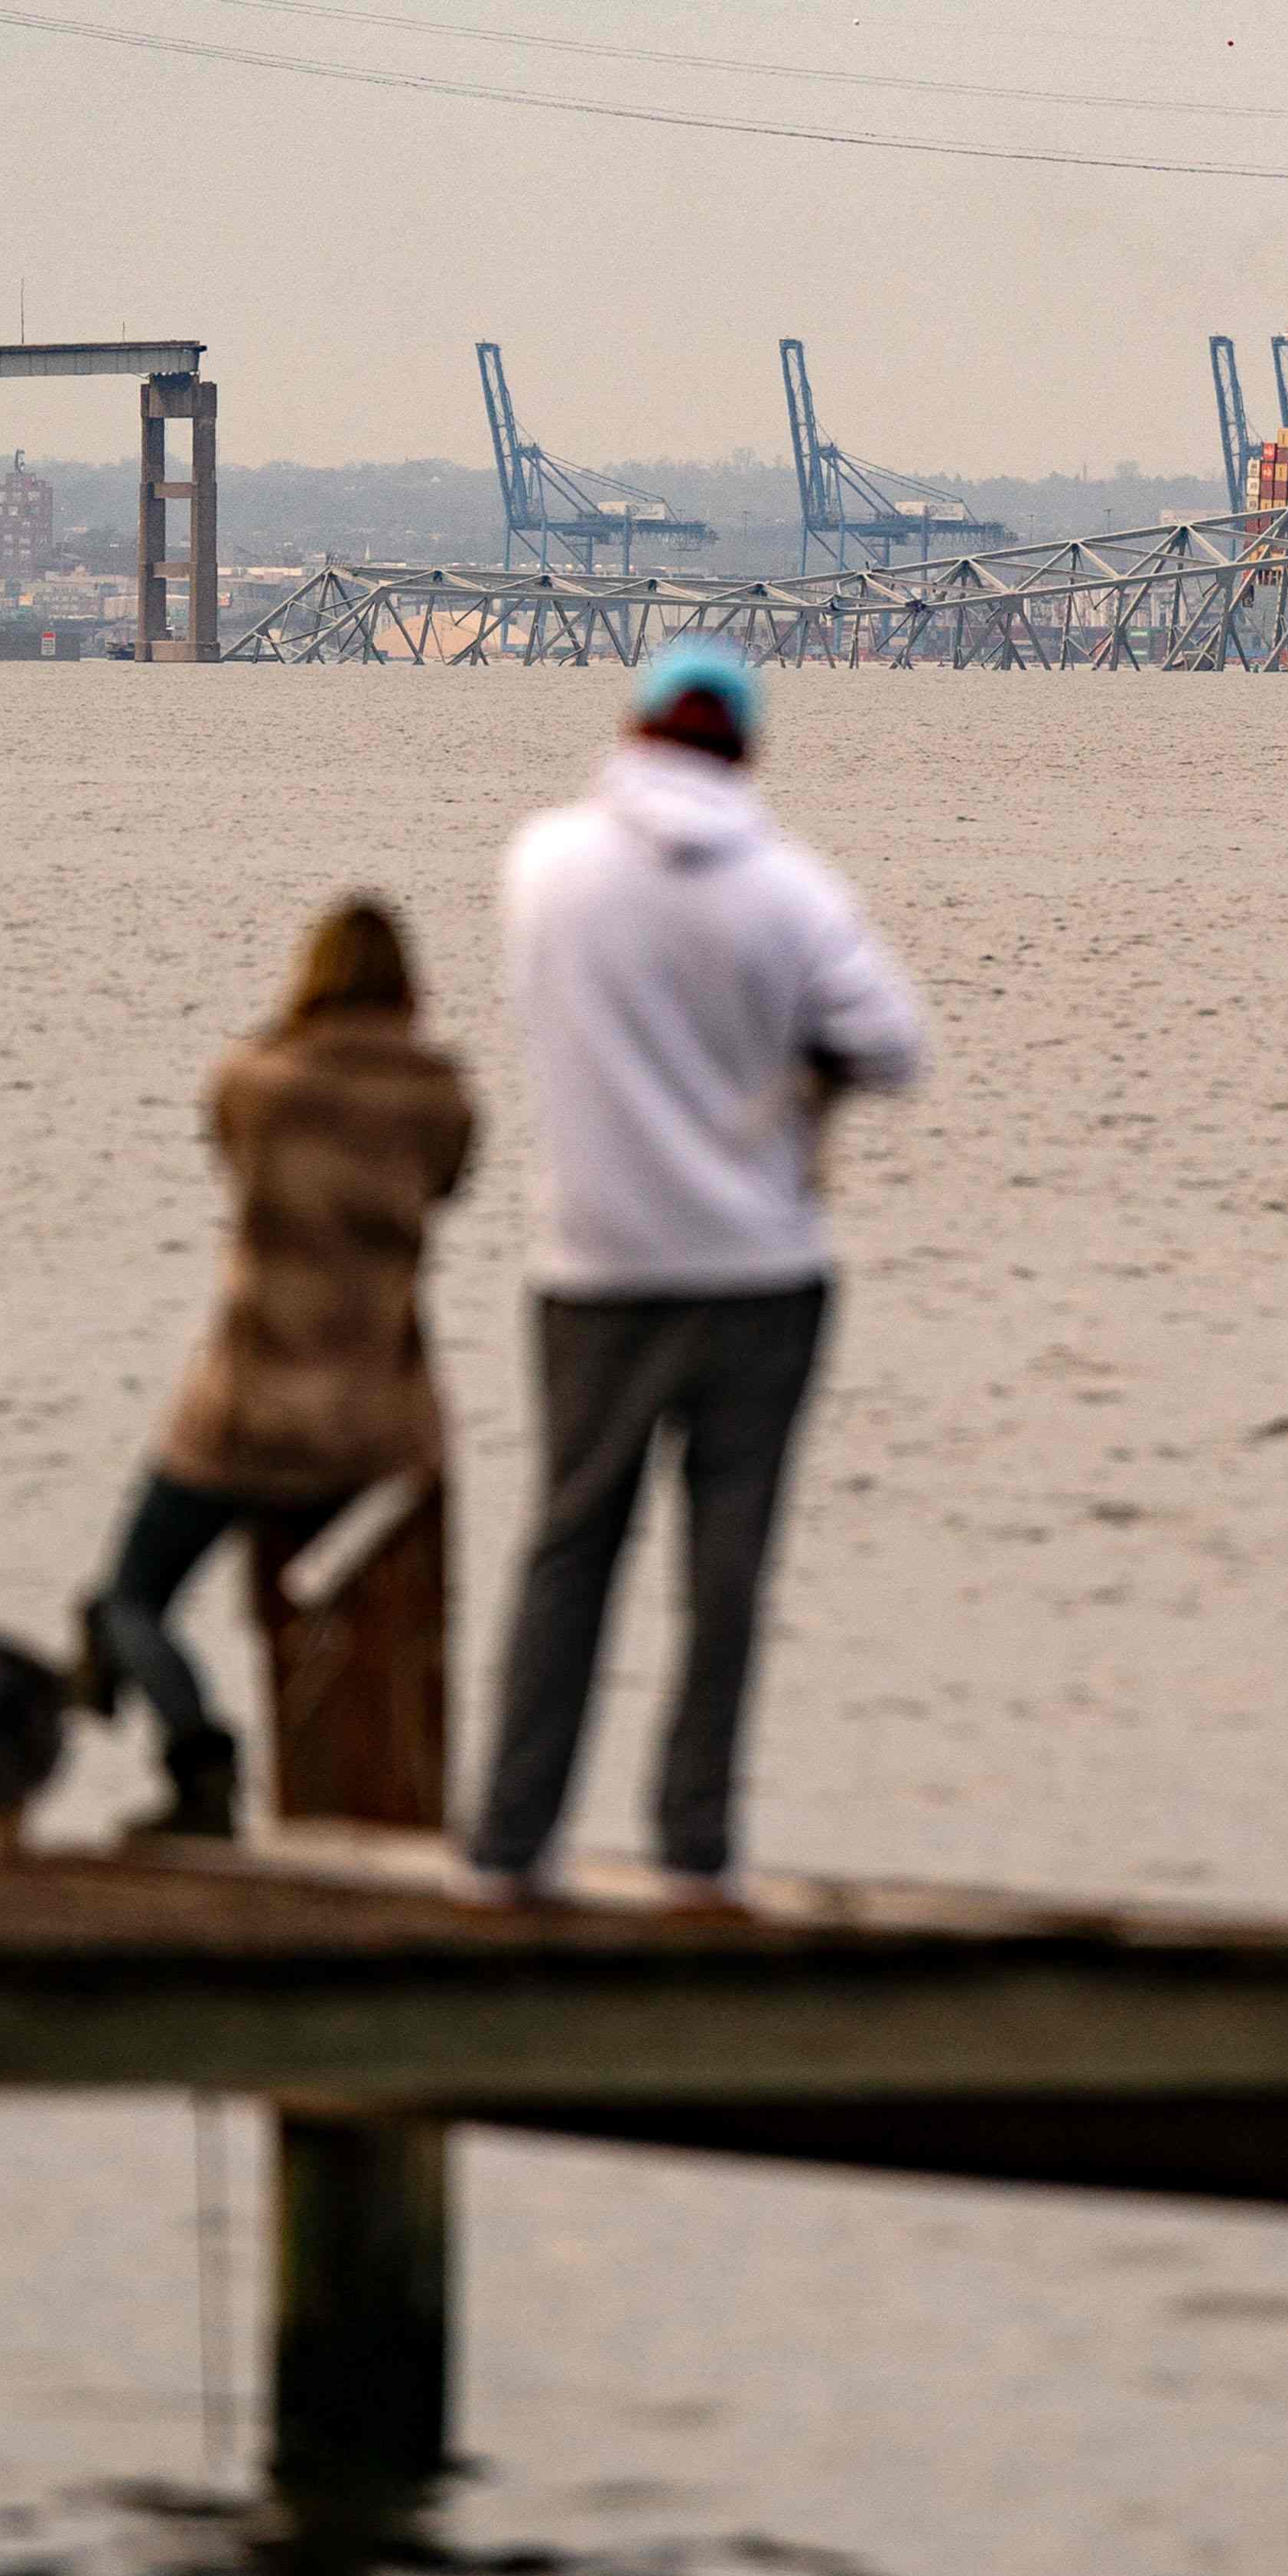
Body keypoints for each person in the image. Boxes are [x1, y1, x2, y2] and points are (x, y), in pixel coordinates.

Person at [463, 638, 928, 1907]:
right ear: (751, 746)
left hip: (594, 1271)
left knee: (569, 1552)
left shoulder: (544, 865)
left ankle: (510, 1844)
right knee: (725, 1576)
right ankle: (695, 1848)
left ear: (632, 724)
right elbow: (895, 1047)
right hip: (760, 1276)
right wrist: (796, 1066)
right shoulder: (791, 894)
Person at [80, 897, 476, 1840]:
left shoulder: (256, 1085)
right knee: (357, 1635)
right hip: (373, 1422)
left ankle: (197, 1756)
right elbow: (452, 1177)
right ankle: (381, 1814)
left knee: (127, 1598)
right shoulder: (440, 1100)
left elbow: (229, 1139)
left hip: (246, 1412)